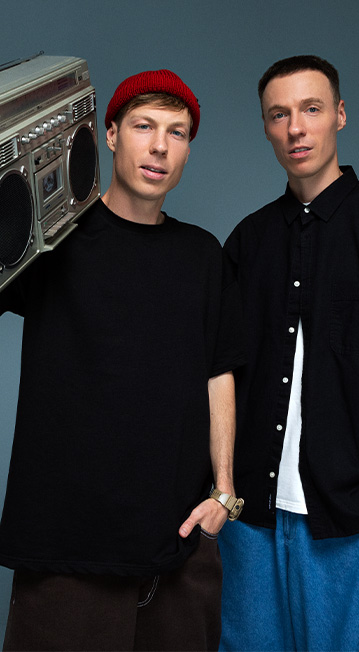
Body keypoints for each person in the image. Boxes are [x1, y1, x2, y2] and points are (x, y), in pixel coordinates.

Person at [0, 69, 245, 651]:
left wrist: (224, 493)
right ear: (108, 135)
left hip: (178, 549)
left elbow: (219, 373)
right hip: (65, 551)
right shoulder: (51, 242)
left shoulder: (202, 255)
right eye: (143, 126)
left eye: (177, 132)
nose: (160, 146)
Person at [219, 55, 359, 652]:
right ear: (266, 127)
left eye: (311, 109)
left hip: (358, 519)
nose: (296, 127)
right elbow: (221, 374)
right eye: (279, 114)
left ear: (339, 115)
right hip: (252, 523)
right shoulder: (247, 240)